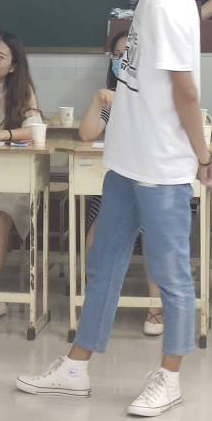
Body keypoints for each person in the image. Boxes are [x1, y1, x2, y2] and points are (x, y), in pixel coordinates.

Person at [16, 0, 212, 418]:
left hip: (162, 165)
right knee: (104, 265)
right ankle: (76, 367)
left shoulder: (171, 0)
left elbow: (185, 91)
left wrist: (202, 154)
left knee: (171, 273)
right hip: (127, 160)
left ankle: (170, 376)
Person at [79, 29, 163, 337]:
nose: (121, 61)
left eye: (127, 55)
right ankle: (98, 305)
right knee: (96, 231)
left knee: (155, 233)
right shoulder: (112, 95)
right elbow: (87, 134)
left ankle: (156, 308)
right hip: (116, 184)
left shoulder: (158, 93)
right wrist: (98, 100)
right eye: (116, 55)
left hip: (153, 183)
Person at [0, 30, 43, 333]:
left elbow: (36, 129)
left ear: (14, 65)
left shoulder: (21, 90)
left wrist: (7, 134)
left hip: (11, 177)